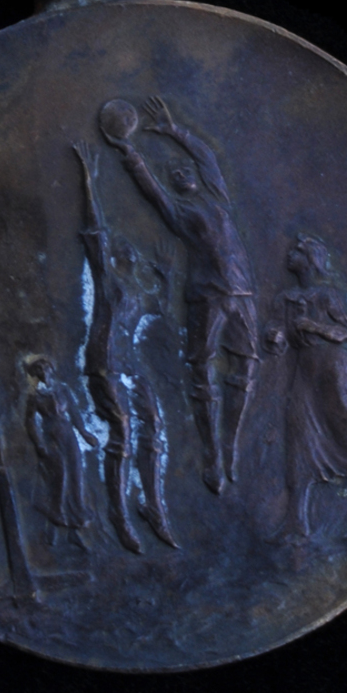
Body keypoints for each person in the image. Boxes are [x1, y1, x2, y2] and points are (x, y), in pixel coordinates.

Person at [101, 96, 258, 494]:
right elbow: (152, 192)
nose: (181, 172)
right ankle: (212, 455)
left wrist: (174, 131)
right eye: (173, 173)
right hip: (206, 296)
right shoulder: (180, 215)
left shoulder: (217, 196)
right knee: (203, 371)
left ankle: (231, 447)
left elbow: (207, 157)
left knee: (245, 368)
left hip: (242, 292)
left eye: (183, 168)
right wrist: (130, 153)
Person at [74, 140, 178, 552]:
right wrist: (89, 180)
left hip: (130, 365)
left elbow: (161, 308)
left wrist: (167, 277)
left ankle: (154, 506)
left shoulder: (136, 290)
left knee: (155, 427)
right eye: (122, 248)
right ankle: (119, 514)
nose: (128, 250)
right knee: (124, 433)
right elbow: (95, 233)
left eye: (129, 248)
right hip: (105, 363)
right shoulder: (107, 281)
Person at [265, 236, 347, 541]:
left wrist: (314, 326)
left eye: (297, 251)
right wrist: (276, 337)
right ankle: (297, 521)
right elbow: (279, 334)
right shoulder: (285, 299)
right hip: (306, 369)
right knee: (300, 435)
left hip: (334, 368)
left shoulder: (328, 295)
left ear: (310, 260)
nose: (289, 255)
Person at [24, 356, 97, 548]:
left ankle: (75, 531)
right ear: (36, 374)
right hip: (51, 437)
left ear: (51, 370)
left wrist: (84, 432)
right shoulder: (35, 397)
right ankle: (52, 529)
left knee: (76, 476)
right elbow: (30, 422)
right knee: (59, 479)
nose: (43, 372)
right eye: (39, 370)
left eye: (45, 368)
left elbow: (74, 412)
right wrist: (39, 443)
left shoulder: (62, 390)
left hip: (68, 435)